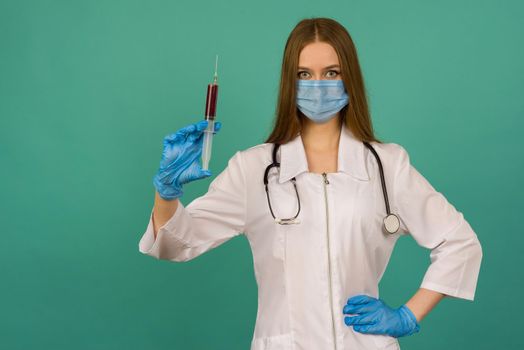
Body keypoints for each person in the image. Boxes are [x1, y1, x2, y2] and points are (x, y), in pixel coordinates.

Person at [138, 17, 483, 350]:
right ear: (290, 81)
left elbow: (460, 242)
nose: (318, 85)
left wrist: (408, 315)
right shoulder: (254, 169)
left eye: (331, 73)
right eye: (305, 74)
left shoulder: (387, 165)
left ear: (350, 78)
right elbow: (177, 244)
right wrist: (167, 192)